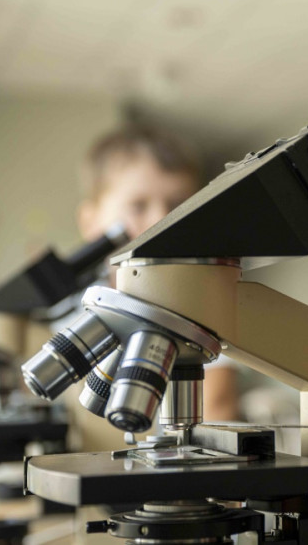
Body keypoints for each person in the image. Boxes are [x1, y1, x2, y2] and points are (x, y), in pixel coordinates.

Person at [68, 123, 240, 450]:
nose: (161, 223)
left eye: (178, 206)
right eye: (138, 206)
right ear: (90, 222)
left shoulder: (208, 309)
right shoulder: (66, 316)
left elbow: (217, 406)